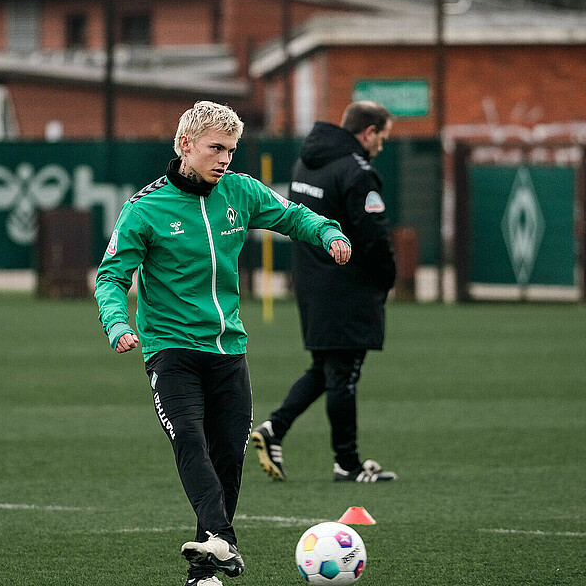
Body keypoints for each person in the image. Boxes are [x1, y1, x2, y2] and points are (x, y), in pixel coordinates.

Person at [95, 101, 351, 586]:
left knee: (230, 455)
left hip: (228, 350)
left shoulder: (240, 192)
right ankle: (219, 537)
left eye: (231, 150)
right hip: (170, 350)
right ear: (185, 145)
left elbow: (293, 216)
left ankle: (204, 569)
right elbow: (110, 277)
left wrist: (327, 231)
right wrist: (117, 324)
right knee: (190, 439)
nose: (225, 159)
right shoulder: (145, 208)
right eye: (216, 148)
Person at [251, 100, 398, 484]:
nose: (382, 143)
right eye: (382, 135)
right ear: (368, 133)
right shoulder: (356, 171)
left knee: (326, 369)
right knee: (344, 375)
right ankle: (347, 463)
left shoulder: (306, 162)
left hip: (311, 281)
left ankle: (274, 429)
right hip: (347, 284)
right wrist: (387, 277)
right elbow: (372, 236)